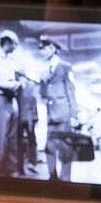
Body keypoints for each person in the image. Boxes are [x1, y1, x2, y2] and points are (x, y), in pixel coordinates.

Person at [0, 30, 35, 177]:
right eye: (14, 45)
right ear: (7, 43)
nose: (15, 49)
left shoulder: (9, 61)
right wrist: (8, 85)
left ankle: (12, 171)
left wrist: (18, 81)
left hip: (11, 101)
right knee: (1, 138)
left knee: (13, 138)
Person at [36, 36, 80, 182]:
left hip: (63, 113)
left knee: (66, 148)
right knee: (49, 148)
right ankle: (52, 177)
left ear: (53, 48)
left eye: (45, 48)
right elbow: (42, 94)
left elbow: (71, 91)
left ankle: (66, 179)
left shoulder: (65, 67)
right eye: (41, 49)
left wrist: (74, 114)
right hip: (50, 115)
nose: (42, 52)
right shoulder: (43, 70)